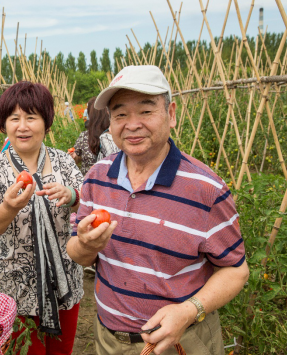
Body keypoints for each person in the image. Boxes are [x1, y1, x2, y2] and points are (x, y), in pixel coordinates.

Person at [66, 65, 249, 355]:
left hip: (182, 341)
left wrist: (189, 311)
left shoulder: (205, 189)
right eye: (120, 114)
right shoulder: (96, 178)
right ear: (110, 123)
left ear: (171, 114)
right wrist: (86, 244)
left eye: (146, 111)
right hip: (109, 340)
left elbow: (236, 270)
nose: (132, 124)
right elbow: (76, 251)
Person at [0, 81, 84, 354]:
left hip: (65, 279)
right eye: (14, 118)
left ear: (46, 123)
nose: (22, 126)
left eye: (31, 117)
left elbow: (88, 205)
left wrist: (72, 195)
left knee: (61, 351)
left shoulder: (63, 162)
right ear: (3, 124)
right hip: (17, 285)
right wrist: (8, 208)